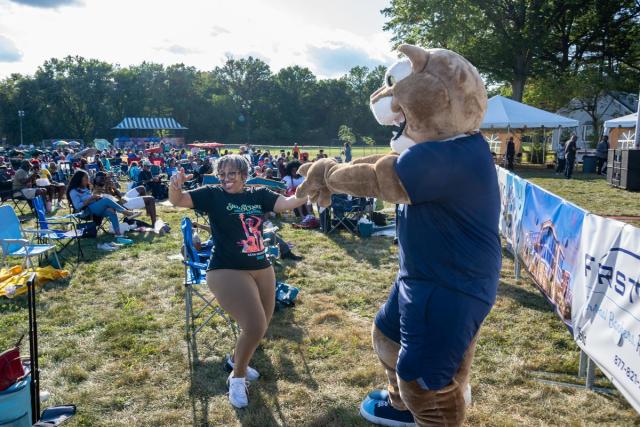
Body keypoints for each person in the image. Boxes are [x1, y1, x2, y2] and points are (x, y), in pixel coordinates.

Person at [169, 154, 309, 408]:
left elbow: (289, 203)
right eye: (221, 174)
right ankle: (237, 378)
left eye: (231, 174)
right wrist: (174, 184)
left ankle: (236, 360)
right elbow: (177, 200)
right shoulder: (212, 194)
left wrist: (312, 187)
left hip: (262, 267)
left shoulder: (259, 194)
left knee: (262, 325)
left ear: (244, 175)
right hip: (225, 268)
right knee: (254, 326)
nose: (225, 179)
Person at [66, 169, 139, 236]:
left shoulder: (85, 188)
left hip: (95, 208)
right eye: (86, 178)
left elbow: (90, 198)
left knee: (111, 211)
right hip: (85, 211)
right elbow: (77, 206)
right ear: (79, 179)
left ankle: (118, 234)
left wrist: (96, 197)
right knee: (106, 200)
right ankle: (126, 212)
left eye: (88, 178)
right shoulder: (73, 191)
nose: (88, 180)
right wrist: (91, 198)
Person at [93, 172, 157, 226]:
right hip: (123, 204)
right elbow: (111, 201)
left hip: (122, 199)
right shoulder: (97, 191)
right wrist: (108, 188)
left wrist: (114, 188)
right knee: (151, 199)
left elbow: (119, 195)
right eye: (105, 178)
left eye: (106, 178)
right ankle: (154, 224)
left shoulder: (106, 186)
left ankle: (148, 213)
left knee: (142, 188)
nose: (107, 180)